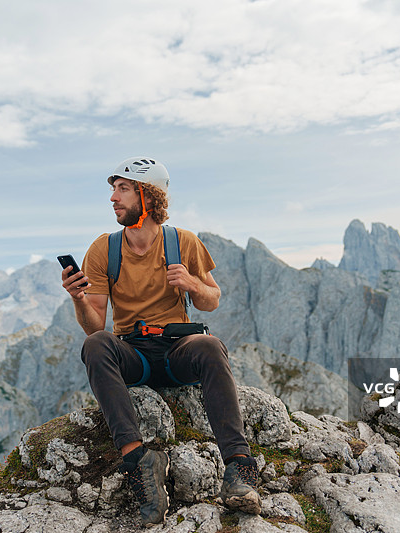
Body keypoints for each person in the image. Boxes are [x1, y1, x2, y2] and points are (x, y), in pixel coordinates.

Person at [60, 157, 261, 526]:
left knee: (210, 345)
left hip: (176, 351)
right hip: (133, 353)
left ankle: (238, 468)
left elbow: (211, 299)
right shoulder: (105, 249)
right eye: (113, 189)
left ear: (148, 196)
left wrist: (192, 284)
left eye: (122, 189)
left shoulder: (183, 242)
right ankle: (140, 461)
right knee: (96, 345)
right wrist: (78, 299)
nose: (113, 198)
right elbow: (94, 327)